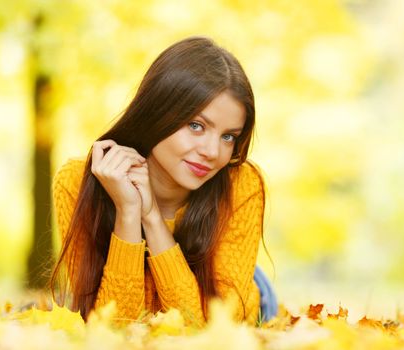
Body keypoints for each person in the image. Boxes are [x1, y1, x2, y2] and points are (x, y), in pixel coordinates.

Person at [50, 36, 278, 327]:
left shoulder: (241, 184)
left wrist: (152, 218)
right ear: (156, 113)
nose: (212, 152)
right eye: (196, 126)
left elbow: (209, 330)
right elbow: (112, 328)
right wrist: (129, 212)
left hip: (232, 285)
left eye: (228, 136)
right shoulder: (78, 181)